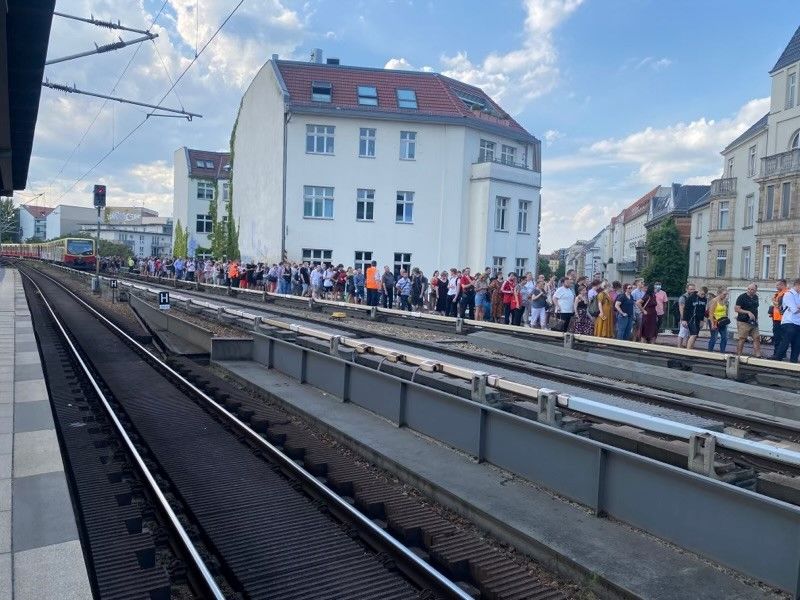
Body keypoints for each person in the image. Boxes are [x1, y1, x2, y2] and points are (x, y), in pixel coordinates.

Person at [774, 278, 800, 362]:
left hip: (798, 323)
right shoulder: (789, 294)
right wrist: (797, 307)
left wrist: (797, 306)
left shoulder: (799, 295)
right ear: (798, 285)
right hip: (789, 322)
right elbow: (795, 310)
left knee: (797, 345)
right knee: (786, 341)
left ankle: (793, 363)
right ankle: (777, 359)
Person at [734, 283, 762, 358]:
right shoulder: (742, 297)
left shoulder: (756, 297)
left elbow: (755, 308)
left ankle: (758, 355)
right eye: (748, 289)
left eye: (752, 289)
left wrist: (756, 317)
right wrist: (748, 312)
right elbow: (736, 309)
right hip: (743, 321)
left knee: (756, 337)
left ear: (756, 290)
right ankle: (738, 355)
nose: (750, 291)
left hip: (753, 321)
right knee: (742, 338)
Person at [707, 287, 730, 353]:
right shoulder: (714, 301)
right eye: (724, 294)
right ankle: (709, 352)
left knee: (725, 337)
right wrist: (712, 324)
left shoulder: (724, 300)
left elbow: (724, 311)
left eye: (726, 294)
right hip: (714, 321)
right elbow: (710, 313)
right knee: (714, 337)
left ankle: (722, 352)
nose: (725, 296)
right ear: (719, 294)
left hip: (722, 321)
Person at [685, 285, 707, 350]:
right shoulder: (691, 298)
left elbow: (703, 310)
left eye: (704, 294)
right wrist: (684, 320)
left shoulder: (704, 299)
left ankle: (691, 348)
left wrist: (702, 320)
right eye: (702, 294)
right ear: (699, 291)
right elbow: (686, 309)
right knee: (693, 334)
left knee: (695, 335)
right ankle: (688, 350)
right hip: (691, 318)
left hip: (698, 319)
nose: (702, 295)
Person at [771, 280, 787, 359]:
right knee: (780, 337)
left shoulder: (784, 294)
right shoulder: (779, 293)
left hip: (780, 319)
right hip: (777, 318)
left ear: (782, 285)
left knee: (778, 337)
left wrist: (774, 302)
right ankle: (781, 354)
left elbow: (781, 307)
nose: (776, 287)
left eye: (777, 285)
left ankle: (777, 354)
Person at [677, 283, 696, 348]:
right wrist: (683, 319)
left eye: (693, 289)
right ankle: (679, 348)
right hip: (685, 318)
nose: (692, 291)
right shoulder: (683, 297)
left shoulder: (694, 297)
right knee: (682, 333)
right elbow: (681, 309)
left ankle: (685, 346)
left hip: (691, 318)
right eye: (691, 289)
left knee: (688, 333)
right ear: (687, 289)